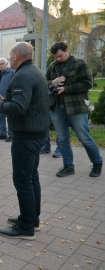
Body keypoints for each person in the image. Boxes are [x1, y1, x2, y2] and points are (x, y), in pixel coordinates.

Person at [0, 42, 50, 240]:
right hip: (36, 132)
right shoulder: (34, 72)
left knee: (22, 180)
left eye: (11, 55)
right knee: (31, 176)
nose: (9, 58)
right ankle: (32, 218)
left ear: (17, 56)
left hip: (26, 135)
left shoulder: (22, 75)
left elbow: (19, 107)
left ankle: (26, 226)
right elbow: (25, 103)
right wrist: (4, 101)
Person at [46, 41, 102, 177]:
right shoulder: (53, 67)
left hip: (77, 107)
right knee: (63, 139)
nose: (58, 59)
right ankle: (68, 166)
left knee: (84, 137)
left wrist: (66, 89)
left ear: (67, 50)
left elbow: (87, 83)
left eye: (60, 56)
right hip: (56, 107)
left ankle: (97, 163)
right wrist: (53, 83)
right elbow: (44, 82)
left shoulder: (80, 64)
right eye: (55, 57)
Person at [0, 58, 15, 142]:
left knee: (10, 117)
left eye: (3, 63)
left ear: (7, 64)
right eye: (0, 64)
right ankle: (2, 134)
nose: (1, 65)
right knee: (0, 117)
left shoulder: (12, 72)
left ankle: (11, 134)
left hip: (8, 99)